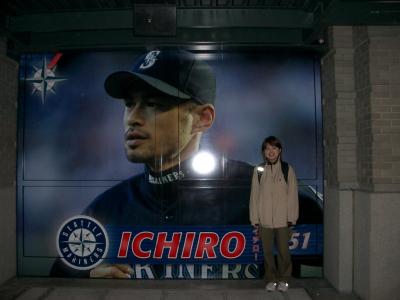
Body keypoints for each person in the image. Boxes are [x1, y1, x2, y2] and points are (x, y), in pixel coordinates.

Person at [50, 49, 253, 278]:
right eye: (129, 104)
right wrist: (86, 283)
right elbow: (57, 281)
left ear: (202, 118)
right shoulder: (106, 209)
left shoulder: (259, 192)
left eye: (153, 104)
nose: (132, 118)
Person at [249, 136, 299, 292]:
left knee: (284, 252)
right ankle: (271, 279)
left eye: (274, 148)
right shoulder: (258, 170)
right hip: (264, 221)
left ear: (279, 151)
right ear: (264, 152)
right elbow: (254, 196)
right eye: (267, 149)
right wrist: (255, 219)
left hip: (283, 221)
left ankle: (284, 279)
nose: (271, 152)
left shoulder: (287, 169)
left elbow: (292, 195)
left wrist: (292, 218)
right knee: (268, 253)